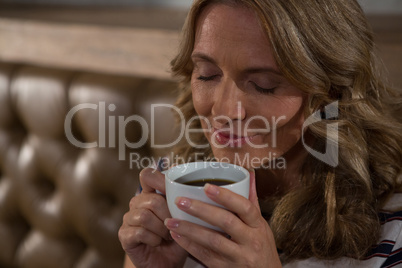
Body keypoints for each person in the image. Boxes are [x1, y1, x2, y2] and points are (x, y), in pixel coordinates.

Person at [118, 0, 402, 267]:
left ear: (331, 91)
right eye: (207, 74)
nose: (226, 110)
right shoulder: (169, 187)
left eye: (264, 85)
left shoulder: (392, 228)